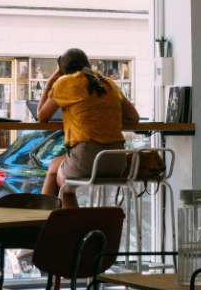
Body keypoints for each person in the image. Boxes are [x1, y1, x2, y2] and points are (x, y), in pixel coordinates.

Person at [38, 48, 140, 207]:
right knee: (54, 166)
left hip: (88, 158)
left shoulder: (65, 82)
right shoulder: (108, 83)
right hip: (117, 160)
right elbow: (134, 117)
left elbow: (41, 116)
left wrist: (49, 83)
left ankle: (63, 227)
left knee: (64, 184)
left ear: (63, 70)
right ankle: (52, 224)